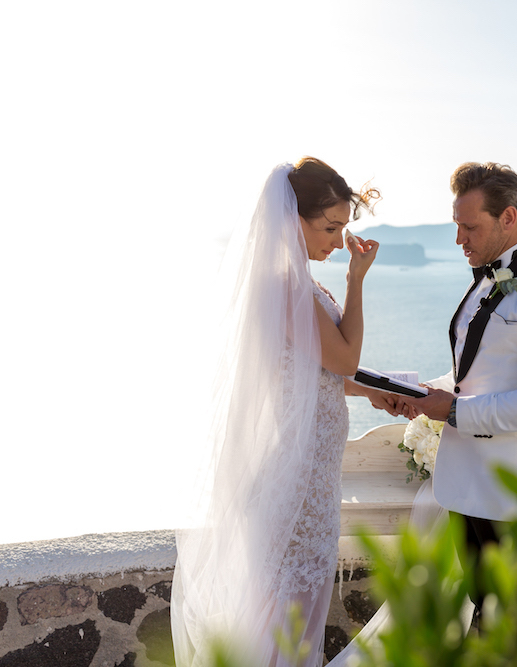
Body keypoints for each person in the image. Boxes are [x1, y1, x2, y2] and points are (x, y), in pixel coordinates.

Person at [171, 157, 386, 667]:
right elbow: (345, 357)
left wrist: (376, 394)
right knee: (284, 623)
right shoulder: (288, 286)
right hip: (295, 480)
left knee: (293, 622)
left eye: (342, 229)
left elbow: (320, 374)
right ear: (292, 220)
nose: (338, 241)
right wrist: (358, 280)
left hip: (310, 477)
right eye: (329, 228)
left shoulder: (297, 286)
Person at [398, 161, 517, 616]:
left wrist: (456, 412)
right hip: (464, 488)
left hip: (513, 496)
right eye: (457, 226)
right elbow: (471, 376)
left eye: (469, 227)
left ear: (509, 218)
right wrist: (425, 395)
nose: (460, 239)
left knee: (515, 626)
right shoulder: (483, 282)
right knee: (483, 612)